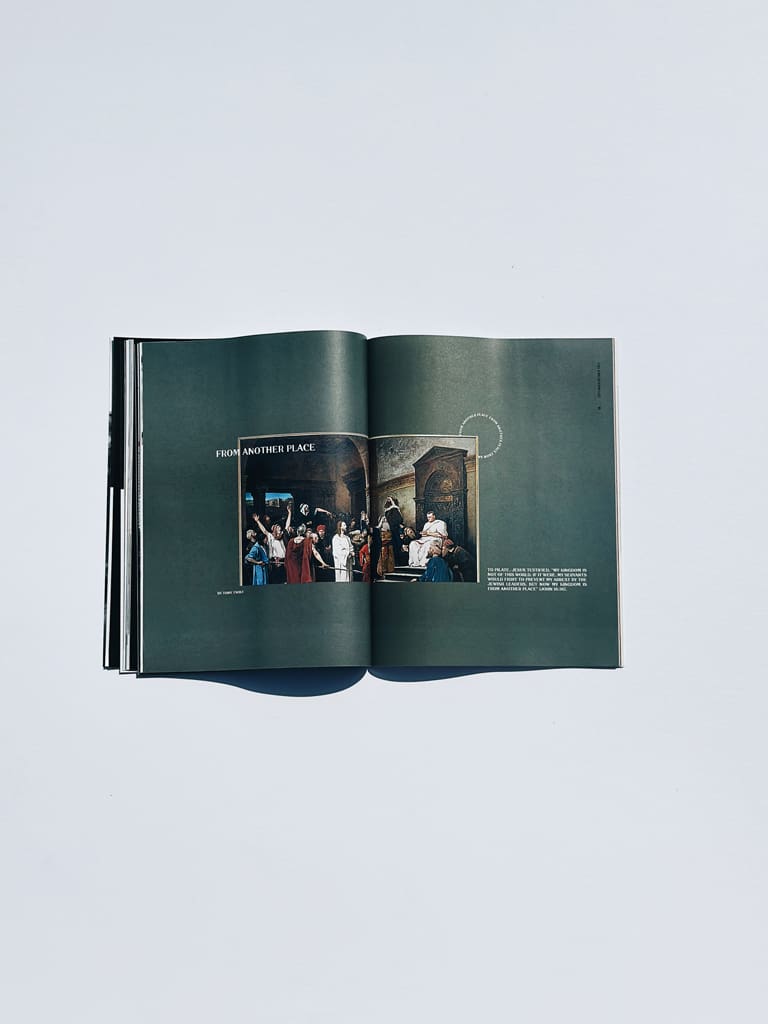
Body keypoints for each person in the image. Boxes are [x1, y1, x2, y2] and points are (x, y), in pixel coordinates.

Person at [253, 513, 287, 583]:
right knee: (276, 580)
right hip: (275, 562)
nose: (280, 530)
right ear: (274, 530)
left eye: (280, 529)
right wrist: (257, 521)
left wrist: (289, 513)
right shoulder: (271, 536)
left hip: (283, 561)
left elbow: (287, 525)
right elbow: (264, 530)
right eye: (278, 528)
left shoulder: (282, 536)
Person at [383, 496, 406, 564]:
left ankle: (400, 561)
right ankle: (397, 561)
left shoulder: (394, 509)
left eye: (390, 500)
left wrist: (391, 499)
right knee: (395, 545)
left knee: (398, 544)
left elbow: (399, 519)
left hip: (396, 528)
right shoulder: (388, 511)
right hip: (393, 528)